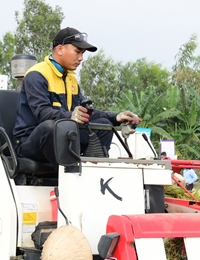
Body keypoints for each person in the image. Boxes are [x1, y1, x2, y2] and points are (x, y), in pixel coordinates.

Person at [13, 28, 141, 166]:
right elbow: (43, 114)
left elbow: (83, 113)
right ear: (60, 49)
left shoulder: (71, 79)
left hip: (64, 136)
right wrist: (70, 117)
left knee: (103, 125)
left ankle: (94, 171)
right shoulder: (37, 75)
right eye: (77, 52)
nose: (81, 58)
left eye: (82, 53)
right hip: (31, 142)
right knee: (51, 128)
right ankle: (68, 175)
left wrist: (116, 118)